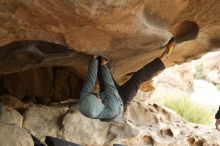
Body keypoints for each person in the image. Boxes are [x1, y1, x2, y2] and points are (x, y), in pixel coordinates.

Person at [79, 37, 176, 122]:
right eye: (97, 97)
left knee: (99, 64)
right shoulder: (111, 108)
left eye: (94, 95)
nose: (96, 95)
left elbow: (90, 80)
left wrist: (94, 59)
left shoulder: (84, 99)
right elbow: (110, 86)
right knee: (137, 78)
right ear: (99, 104)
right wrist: (104, 66)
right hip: (122, 100)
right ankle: (165, 55)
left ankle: (100, 61)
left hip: (107, 97)